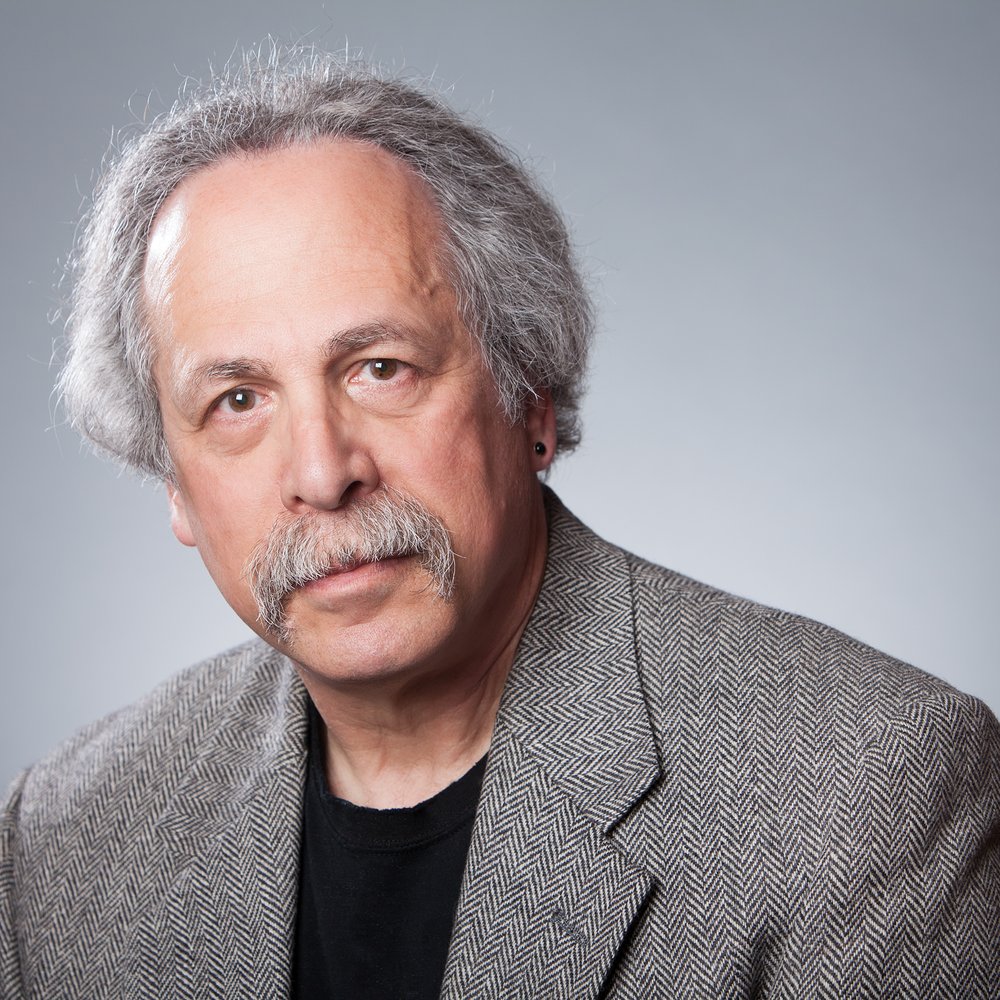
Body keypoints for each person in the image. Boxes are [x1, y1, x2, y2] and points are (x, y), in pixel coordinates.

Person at [2, 51, 997, 1000]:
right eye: (236, 401)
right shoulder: (64, 842)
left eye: (380, 368)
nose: (322, 473)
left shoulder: (856, 790)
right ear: (174, 485)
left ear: (531, 399)